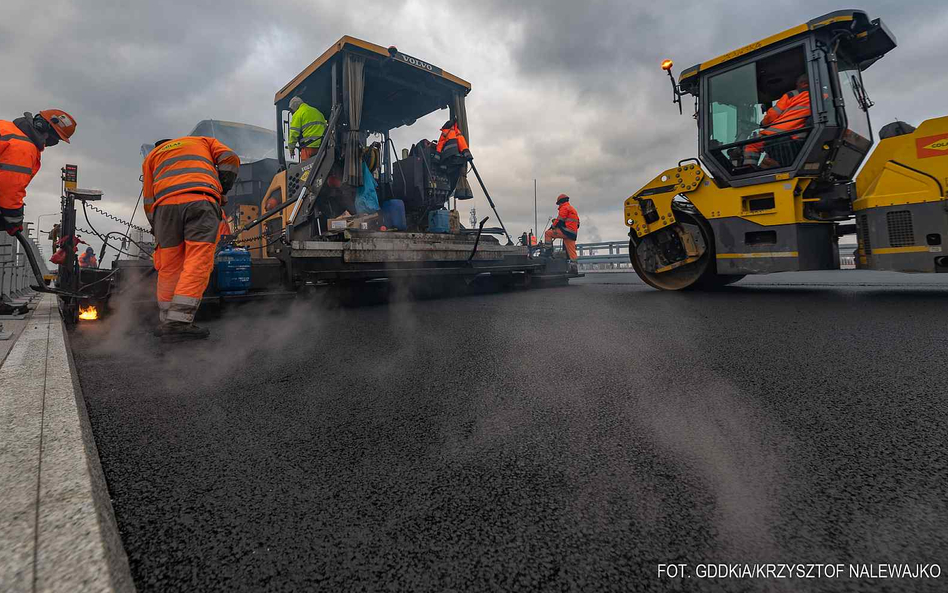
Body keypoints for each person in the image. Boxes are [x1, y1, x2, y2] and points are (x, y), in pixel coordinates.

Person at [142, 136, 240, 341]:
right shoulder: (202, 141)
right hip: (200, 200)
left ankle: (168, 320)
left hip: (164, 209)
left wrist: (156, 225)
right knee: (198, 259)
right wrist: (221, 190)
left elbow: (149, 198)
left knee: (169, 264)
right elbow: (230, 158)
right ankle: (178, 322)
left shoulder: (151, 156)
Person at [0, 110, 76, 236]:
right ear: (43, 127)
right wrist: (14, 218)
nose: (50, 143)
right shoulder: (23, 146)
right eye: (54, 139)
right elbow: (9, 186)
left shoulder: (6, 127)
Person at [743, 73, 812, 167]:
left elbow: (773, 114)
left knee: (752, 144)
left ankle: (748, 169)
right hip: (800, 136)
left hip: (783, 134)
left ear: (803, 83)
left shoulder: (792, 94)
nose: (796, 87)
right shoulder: (822, 96)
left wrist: (762, 123)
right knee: (767, 160)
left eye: (797, 85)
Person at [543, 194, 580, 261]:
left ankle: (547, 254)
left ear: (561, 202)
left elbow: (559, 220)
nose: (559, 206)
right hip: (572, 234)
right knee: (572, 253)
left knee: (548, 233)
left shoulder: (564, 208)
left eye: (559, 204)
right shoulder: (573, 210)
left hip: (566, 232)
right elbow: (577, 224)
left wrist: (553, 226)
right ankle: (574, 267)